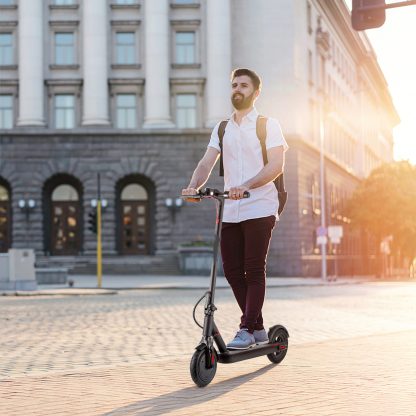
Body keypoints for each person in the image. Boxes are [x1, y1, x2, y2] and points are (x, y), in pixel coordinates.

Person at [182, 68, 288, 350]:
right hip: (231, 208)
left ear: (255, 92)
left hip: (261, 204)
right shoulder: (222, 128)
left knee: (253, 269)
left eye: (243, 85)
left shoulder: (268, 125)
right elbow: (207, 162)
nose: (237, 89)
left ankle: (246, 328)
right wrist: (193, 186)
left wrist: (248, 184)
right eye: (234, 85)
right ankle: (258, 328)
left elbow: (277, 165)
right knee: (231, 271)